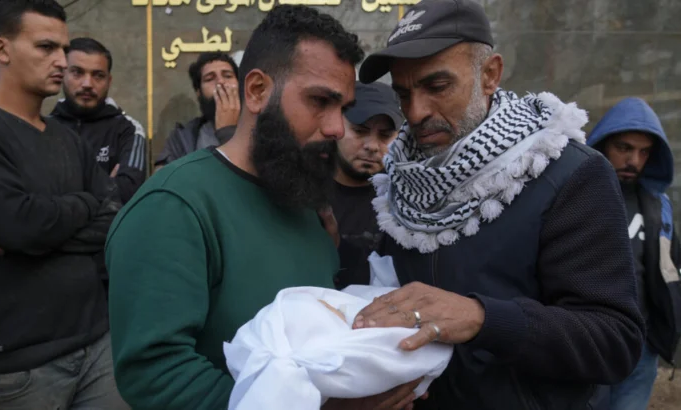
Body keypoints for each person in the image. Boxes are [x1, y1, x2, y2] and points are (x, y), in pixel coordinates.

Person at [106, 5, 423, 410]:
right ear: (256, 91)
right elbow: (154, 372)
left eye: (342, 109)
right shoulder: (173, 205)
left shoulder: (304, 202)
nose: (335, 128)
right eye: (319, 101)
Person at [351, 0, 645, 409]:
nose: (415, 113)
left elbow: (614, 341)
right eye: (403, 93)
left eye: (437, 87)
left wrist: (481, 318)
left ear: (489, 75)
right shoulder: (399, 183)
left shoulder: (569, 174)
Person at [0, 1, 127, 408]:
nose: (62, 61)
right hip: (17, 367)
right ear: (1, 49)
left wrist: (36, 229)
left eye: (63, 48)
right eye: (46, 47)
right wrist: (85, 203)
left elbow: (115, 219)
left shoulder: (67, 139)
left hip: (98, 345)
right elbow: (18, 225)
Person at [587, 97, 681, 410]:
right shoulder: (575, 196)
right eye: (624, 148)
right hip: (587, 339)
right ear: (602, 143)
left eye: (644, 152)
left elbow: (670, 266)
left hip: (641, 345)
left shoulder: (658, 204)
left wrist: (661, 333)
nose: (634, 160)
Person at [50, 37, 147, 204]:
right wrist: (107, 187)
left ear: (109, 81)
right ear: (62, 74)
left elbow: (128, 192)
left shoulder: (129, 130)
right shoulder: (43, 127)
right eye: (77, 72)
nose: (87, 84)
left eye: (98, 75)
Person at [331, 81, 403, 290]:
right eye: (360, 131)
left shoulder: (405, 202)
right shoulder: (303, 191)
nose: (372, 146)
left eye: (385, 135)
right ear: (337, 126)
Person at [154, 51, 240, 171]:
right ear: (198, 92)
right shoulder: (182, 139)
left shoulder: (258, 128)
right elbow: (161, 178)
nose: (221, 82)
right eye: (210, 79)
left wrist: (227, 132)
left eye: (228, 76)